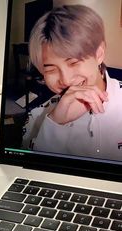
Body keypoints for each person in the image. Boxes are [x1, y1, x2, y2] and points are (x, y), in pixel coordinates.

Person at [25, 4, 122, 161]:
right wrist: (55, 124)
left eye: (74, 62)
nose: (66, 80)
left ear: (99, 53)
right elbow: (33, 173)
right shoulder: (37, 118)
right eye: (51, 69)